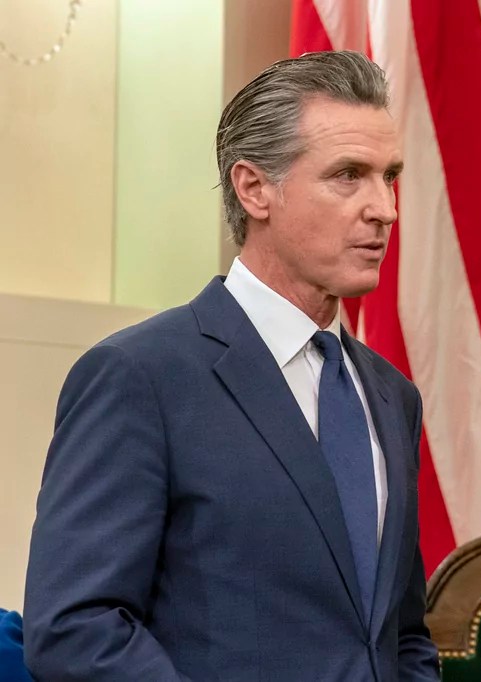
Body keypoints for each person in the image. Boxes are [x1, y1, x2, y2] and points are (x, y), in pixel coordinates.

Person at [23, 51, 439, 681]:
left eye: (391, 177)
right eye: (349, 175)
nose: (385, 208)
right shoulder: (140, 377)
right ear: (254, 189)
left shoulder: (390, 395)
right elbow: (78, 627)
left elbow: (400, 635)